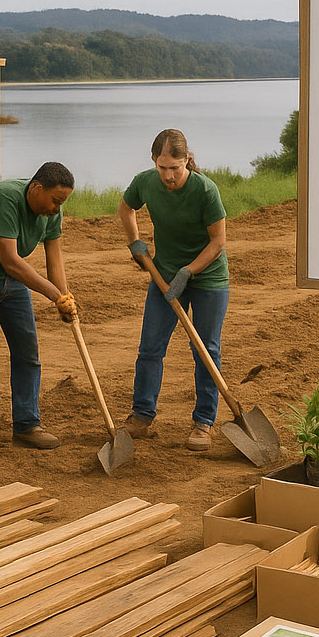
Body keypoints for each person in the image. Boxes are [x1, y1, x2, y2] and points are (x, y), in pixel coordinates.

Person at [0, 161, 77, 464]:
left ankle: (26, 424)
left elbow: (55, 257)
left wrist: (64, 298)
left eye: (62, 202)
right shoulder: (5, 197)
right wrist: (51, 294)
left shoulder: (52, 211)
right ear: (36, 188)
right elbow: (10, 259)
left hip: (14, 282)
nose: (56, 208)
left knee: (27, 353)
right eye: (55, 200)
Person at [117, 129, 229, 452]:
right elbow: (126, 209)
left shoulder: (205, 190)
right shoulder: (145, 182)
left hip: (208, 278)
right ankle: (141, 415)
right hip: (164, 276)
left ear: (187, 161)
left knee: (205, 350)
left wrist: (189, 271)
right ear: (155, 161)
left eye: (175, 167)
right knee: (150, 347)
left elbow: (218, 242)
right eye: (162, 167)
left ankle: (204, 421)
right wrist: (135, 242)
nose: (168, 175)